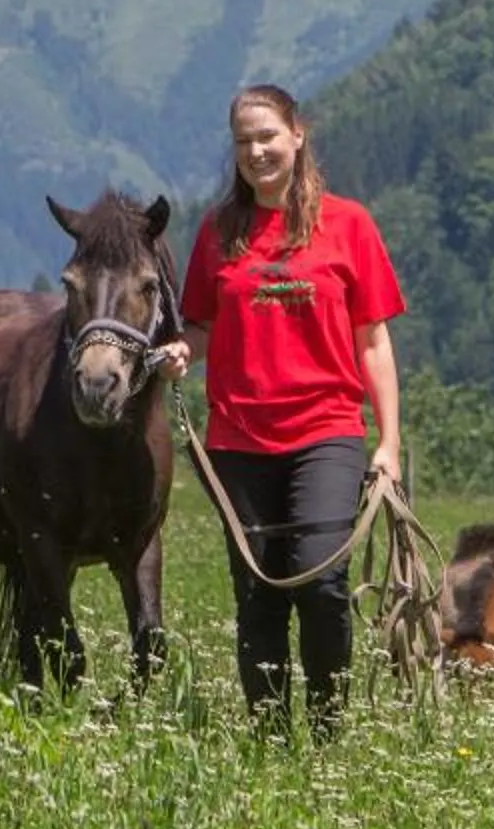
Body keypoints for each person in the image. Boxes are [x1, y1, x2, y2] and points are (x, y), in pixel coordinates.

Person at [164, 83, 405, 737]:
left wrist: (389, 443)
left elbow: (374, 341)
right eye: (243, 142)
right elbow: (202, 328)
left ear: (298, 134)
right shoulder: (218, 233)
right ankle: (269, 738)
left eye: (267, 136)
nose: (256, 151)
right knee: (258, 594)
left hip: (326, 429)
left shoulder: (348, 224)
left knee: (322, 582)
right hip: (238, 440)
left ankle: (327, 732)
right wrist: (181, 353)